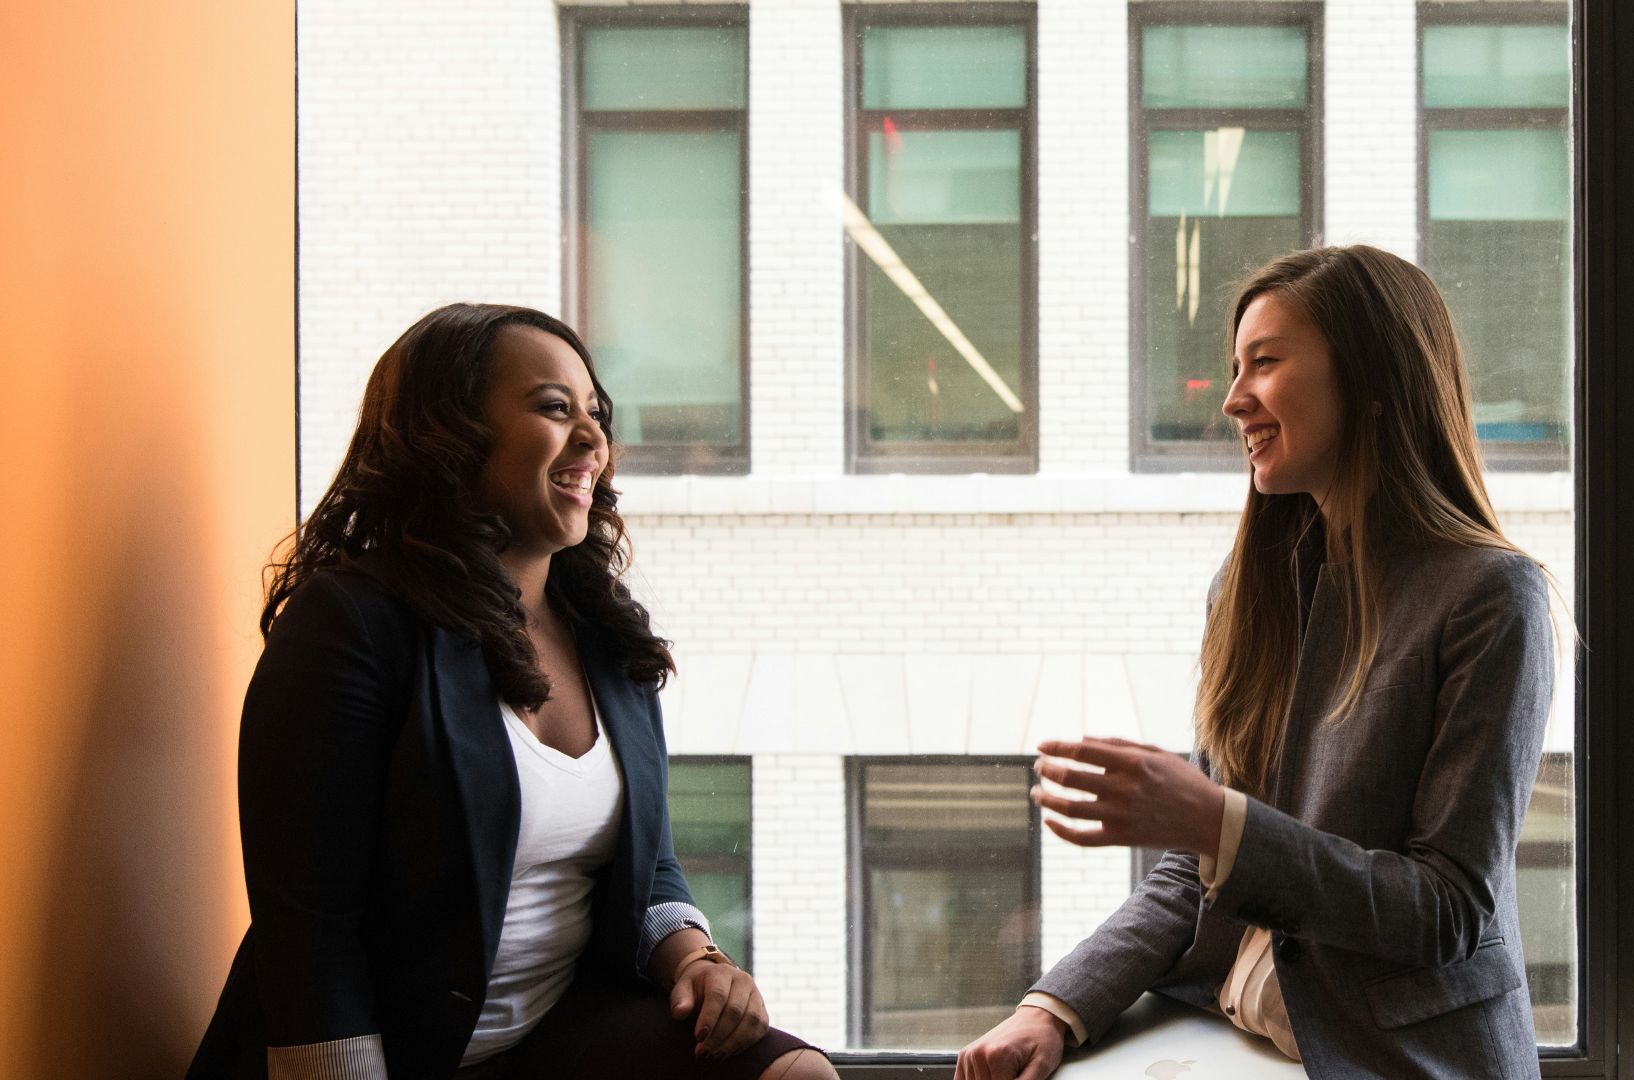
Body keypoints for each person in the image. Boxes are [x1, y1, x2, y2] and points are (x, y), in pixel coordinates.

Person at [188, 304, 837, 1080]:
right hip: (374, 1052)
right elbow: (308, 926)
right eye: (556, 409)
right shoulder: (351, 622)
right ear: (449, 434)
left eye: (596, 413)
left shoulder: (603, 633)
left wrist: (696, 957)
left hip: (546, 1035)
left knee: (794, 1075)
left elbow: (648, 862)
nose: (595, 438)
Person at [958, 246, 1556, 1080]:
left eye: (1265, 363)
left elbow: (1447, 910)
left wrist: (1215, 822)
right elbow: (1191, 875)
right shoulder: (1248, 592)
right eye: (1235, 369)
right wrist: (1052, 1009)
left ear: (1372, 375)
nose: (1234, 400)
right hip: (1234, 1041)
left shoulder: (1492, 597)